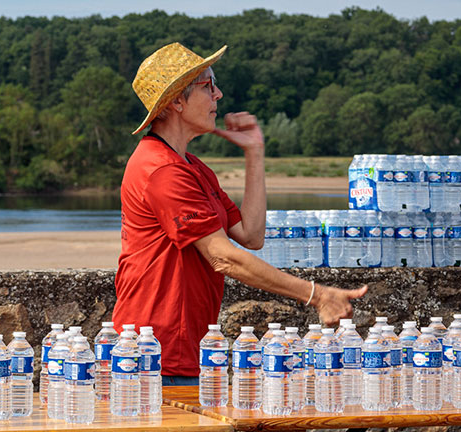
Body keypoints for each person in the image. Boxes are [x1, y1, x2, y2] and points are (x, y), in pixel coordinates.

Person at [113, 43, 367, 385]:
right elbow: (224, 257)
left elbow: (251, 234)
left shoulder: (192, 168)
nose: (218, 94)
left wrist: (255, 153)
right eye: (207, 85)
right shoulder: (162, 170)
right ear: (176, 101)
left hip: (186, 350)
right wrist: (317, 295)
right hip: (157, 353)